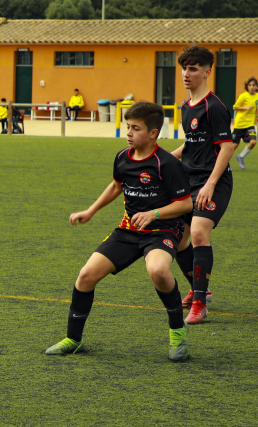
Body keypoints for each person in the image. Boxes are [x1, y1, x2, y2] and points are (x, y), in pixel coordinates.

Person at [45, 102, 193, 361]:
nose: (129, 133)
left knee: (158, 272)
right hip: (127, 231)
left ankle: (177, 332)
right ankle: (73, 339)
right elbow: (116, 186)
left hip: (161, 231)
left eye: (136, 128)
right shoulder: (123, 157)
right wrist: (90, 211)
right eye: (128, 127)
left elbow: (185, 204)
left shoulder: (166, 163)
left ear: (153, 133)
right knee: (86, 276)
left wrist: (153, 214)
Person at [171, 45, 235, 324]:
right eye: (184, 68)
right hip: (189, 179)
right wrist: (162, 158)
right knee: (179, 238)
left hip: (214, 181)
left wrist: (210, 184)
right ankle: (201, 289)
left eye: (193, 68)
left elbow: (227, 147)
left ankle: (199, 304)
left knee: (198, 232)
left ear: (207, 72)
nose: (186, 74)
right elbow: (192, 143)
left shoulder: (215, 106)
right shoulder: (186, 106)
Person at [232, 77, 258, 170]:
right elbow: (235, 107)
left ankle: (241, 157)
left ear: (256, 86)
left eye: (253, 85)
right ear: (247, 86)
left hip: (250, 124)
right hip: (239, 124)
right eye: (249, 85)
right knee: (234, 145)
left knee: (253, 142)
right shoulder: (243, 96)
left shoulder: (257, 96)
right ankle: (222, 162)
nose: (251, 87)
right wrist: (246, 108)